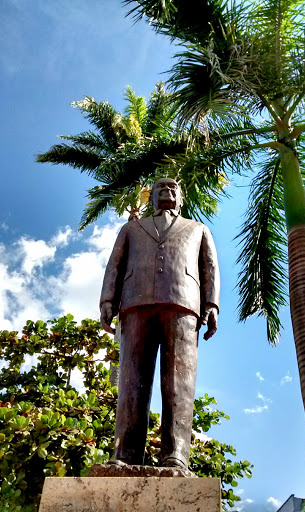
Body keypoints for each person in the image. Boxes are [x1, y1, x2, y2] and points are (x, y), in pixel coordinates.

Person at [100, 177, 220, 469]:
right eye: (160, 189)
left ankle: (176, 454)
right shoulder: (131, 229)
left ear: (181, 199)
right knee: (131, 381)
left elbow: (210, 267)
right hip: (134, 303)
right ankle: (126, 453)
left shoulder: (198, 229)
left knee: (179, 383)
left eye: (173, 189)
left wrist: (212, 305)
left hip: (183, 305)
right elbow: (115, 264)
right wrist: (107, 301)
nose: (167, 192)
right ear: (150, 198)